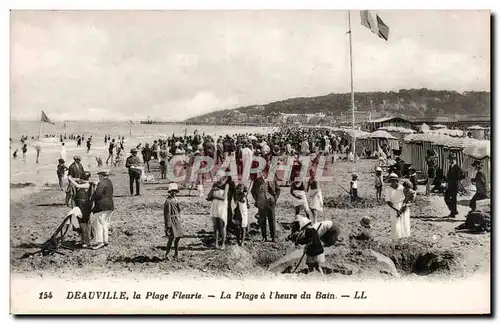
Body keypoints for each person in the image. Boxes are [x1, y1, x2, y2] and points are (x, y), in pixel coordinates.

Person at [251, 171, 280, 242]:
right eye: (263, 171)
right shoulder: (257, 180)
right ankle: (264, 237)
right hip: (261, 203)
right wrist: (257, 199)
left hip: (270, 202)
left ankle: (273, 237)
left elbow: (278, 189)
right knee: (262, 220)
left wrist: (275, 198)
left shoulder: (272, 179)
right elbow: (253, 191)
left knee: (272, 219)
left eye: (266, 171)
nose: (264, 173)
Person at [68, 171, 94, 248]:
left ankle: (86, 241)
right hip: (81, 205)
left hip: (85, 206)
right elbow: (78, 181)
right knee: (81, 223)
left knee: (84, 223)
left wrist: (70, 179)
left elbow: (77, 185)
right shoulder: (86, 183)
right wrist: (73, 178)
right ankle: (84, 240)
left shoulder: (88, 184)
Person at [90, 170, 114, 250]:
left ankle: (100, 242)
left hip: (102, 206)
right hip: (110, 206)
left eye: (99, 176)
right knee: (105, 224)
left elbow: (97, 194)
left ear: (102, 176)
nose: (99, 177)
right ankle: (105, 240)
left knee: (98, 224)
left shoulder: (102, 183)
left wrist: (92, 196)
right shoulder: (109, 182)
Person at [385, 173, 410, 240]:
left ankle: (403, 238)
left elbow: (407, 196)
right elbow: (388, 201)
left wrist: (405, 205)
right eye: (391, 181)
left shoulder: (401, 187)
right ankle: (396, 238)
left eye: (394, 180)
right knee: (395, 223)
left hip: (403, 205)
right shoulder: (388, 190)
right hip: (394, 207)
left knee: (404, 221)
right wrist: (396, 210)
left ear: (397, 181)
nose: (393, 182)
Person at [207, 177, 229, 249]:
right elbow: (209, 196)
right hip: (215, 205)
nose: (219, 179)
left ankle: (223, 244)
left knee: (222, 225)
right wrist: (212, 190)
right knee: (215, 226)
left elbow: (224, 198)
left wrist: (215, 196)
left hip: (222, 206)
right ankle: (216, 243)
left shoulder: (226, 185)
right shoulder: (215, 184)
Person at [163, 182, 183, 260]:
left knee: (178, 237)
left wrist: (179, 218)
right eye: (172, 191)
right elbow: (166, 214)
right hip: (171, 221)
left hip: (177, 220)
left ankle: (176, 254)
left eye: (175, 191)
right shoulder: (168, 201)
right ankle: (167, 255)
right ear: (170, 192)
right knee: (171, 239)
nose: (174, 193)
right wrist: (168, 226)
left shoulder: (176, 199)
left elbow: (178, 210)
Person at [444, 152, 464, 218]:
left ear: (454, 159)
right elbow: (449, 175)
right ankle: (454, 210)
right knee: (446, 198)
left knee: (453, 199)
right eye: (450, 159)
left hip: (454, 185)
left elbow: (461, 176)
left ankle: (453, 213)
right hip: (450, 185)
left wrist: (456, 180)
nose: (450, 160)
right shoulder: (450, 166)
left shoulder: (457, 167)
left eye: (452, 159)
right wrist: (446, 181)